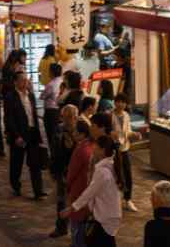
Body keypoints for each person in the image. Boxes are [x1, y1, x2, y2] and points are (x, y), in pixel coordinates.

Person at [60, 135, 123, 247]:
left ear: (103, 150)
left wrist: (71, 208)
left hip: (105, 218)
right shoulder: (110, 165)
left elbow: (89, 193)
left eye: (96, 146)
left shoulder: (103, 171)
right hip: (110, 215)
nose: (93, 148)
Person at [3, 71, 45, 199]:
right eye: (22, 80)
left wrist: (38, 134)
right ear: (15, 82)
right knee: (17, 163)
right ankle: (16, 186)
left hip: (32, 132)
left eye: (26, 79)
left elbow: (33, 115)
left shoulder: (31, 96)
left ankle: (38, 191)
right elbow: (9, 119)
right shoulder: (10, 97)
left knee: (35, 163)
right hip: (19, 134)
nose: (25, 82)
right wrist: (16, 136)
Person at [49, 104, 79, 239]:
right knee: (61, 200)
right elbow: (54, 151)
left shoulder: (80, 131)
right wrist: (53, 170)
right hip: (62, 170)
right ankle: (61, 227)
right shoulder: (58, 129)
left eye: (71, 117)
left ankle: (77, 231)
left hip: (77, 172)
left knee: (77, 201)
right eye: (65, 117)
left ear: (76, 117)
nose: (68, 120)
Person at [112, 92, 141, 212]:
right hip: (114, 150)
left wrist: (134, 134)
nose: (121, 104)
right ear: (115, 102)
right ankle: (115, 200)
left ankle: (128, 199)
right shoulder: (110, 115)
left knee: (128, 174)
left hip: (124, 148)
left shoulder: (126, 115)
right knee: (116, 175)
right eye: (118, 101)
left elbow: (127, 131)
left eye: (123, 102)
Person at [66, 120, 93, 247]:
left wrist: (68, 186)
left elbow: (71, 173)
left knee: (77, 227)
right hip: (88, 191)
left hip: (78, 189)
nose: (74, 133)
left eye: (76, 131)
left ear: (82, 134)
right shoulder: (92, 147)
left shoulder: (80, 149)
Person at [40, 63, 64, 158]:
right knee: (57, 135)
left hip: (50, 112)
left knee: (51, 135)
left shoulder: (51, 84)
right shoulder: (62, 82)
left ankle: (54, 157)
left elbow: (42, 96)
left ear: (52, 72)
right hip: (59, 111)